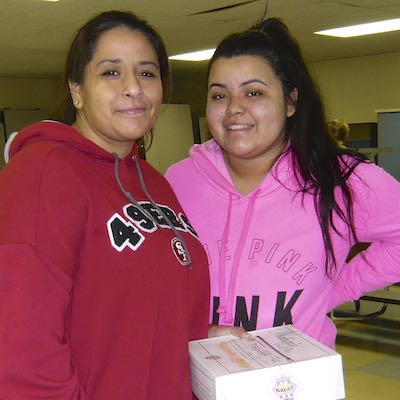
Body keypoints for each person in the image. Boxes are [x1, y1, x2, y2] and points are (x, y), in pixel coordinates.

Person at [0, 10, 209, 400]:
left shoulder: (154, 182)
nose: (134, 88)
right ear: (77, 89)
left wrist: (204, 340)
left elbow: (140, 308)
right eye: (111, 72)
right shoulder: (43, 174)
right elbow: (20, 352)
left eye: (147, 73)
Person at [166, 18, 400, 349]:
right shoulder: (177, 180)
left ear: (291, 101)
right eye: (219, 95)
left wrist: (336, 287)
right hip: (197, 383)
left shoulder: (338, 180)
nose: (234, 108)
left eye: (254, 92)